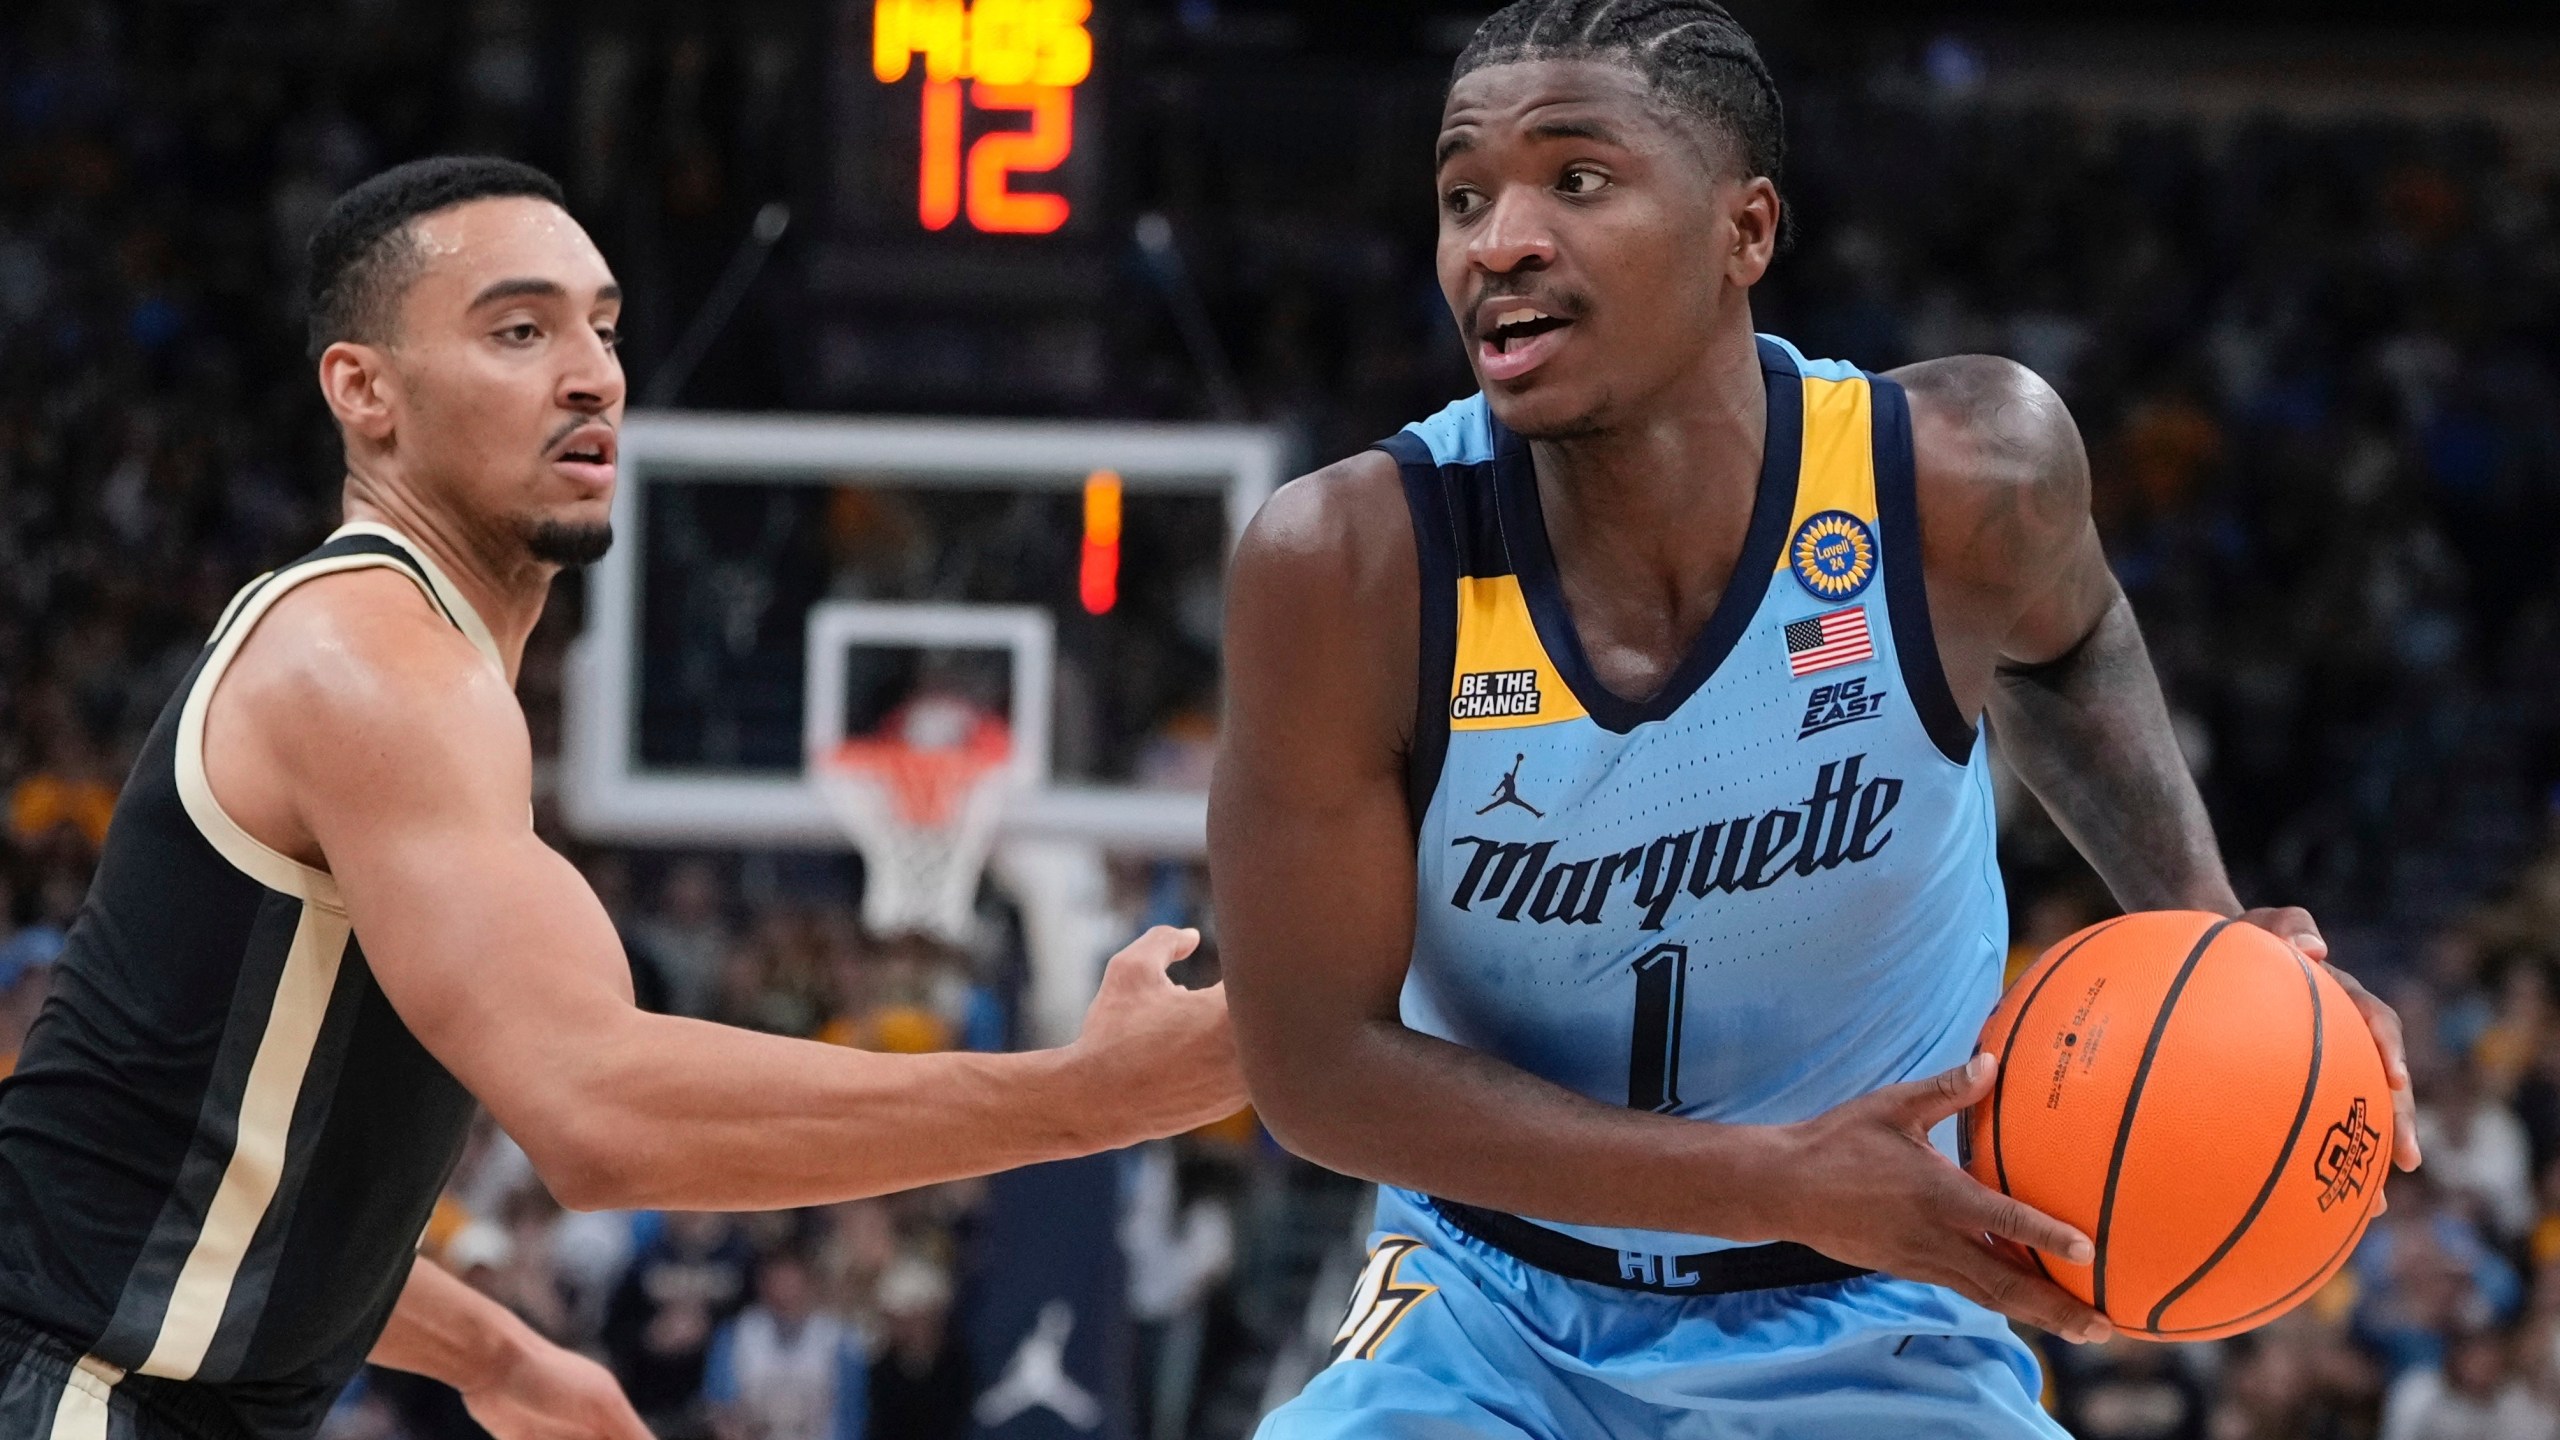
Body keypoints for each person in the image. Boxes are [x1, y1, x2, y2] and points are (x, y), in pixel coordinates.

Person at [1207, 4, 2419, 1436]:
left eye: (1575, 181)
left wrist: (2217, 920)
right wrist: (1774, 1177)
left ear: (1748, 231)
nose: (1500, 241)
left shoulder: (1964, 477)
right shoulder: (1346, 566)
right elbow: (1315, 1070)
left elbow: (2074, 638)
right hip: (1485, 1307)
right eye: (1464, 197)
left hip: (1876, 1310)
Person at [0, 155, 1246, 1440]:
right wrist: (1081, 1099)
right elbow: (592, 1114)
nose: (593, 371)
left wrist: (497, 1355)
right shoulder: (371, 663)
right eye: (520, 330)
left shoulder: (396, 668)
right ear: (363, 391)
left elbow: (169, 1169)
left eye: (601, 326)